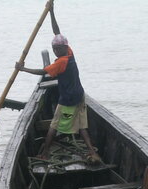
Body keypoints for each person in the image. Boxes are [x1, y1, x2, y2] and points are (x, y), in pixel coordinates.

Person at [15, 2, 101, 163]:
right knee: (82, 126)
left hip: (69, 99)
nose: (55, 51)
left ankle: (45, 153)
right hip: (79, 95)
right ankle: (92, 152)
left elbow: (43, 72)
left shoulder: (61, 62)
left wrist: (23, 69)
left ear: (63, 48)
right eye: (54, 48)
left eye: (57, 49)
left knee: (54, 125)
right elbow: (57, 32)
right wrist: (52, 12)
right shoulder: (69, 52)